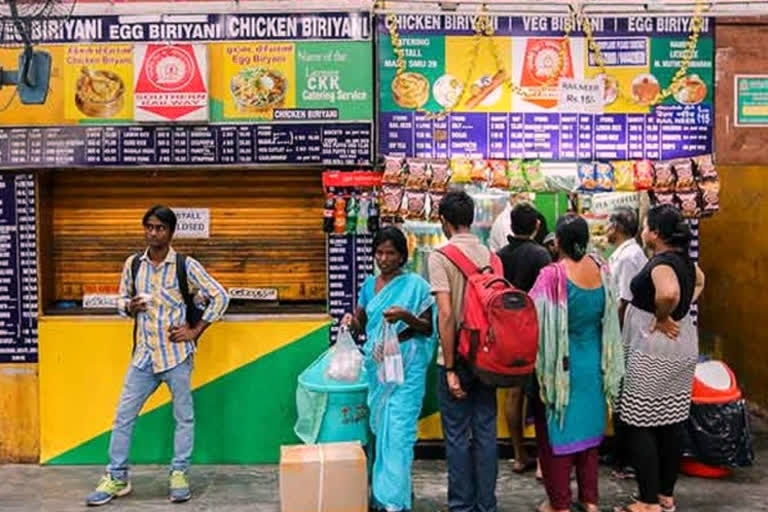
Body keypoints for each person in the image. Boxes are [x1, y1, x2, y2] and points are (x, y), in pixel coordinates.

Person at [85, 205, 230, 506]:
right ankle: (117, 477)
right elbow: (121, 300)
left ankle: (179, 474)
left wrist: (195, 331)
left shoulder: (185, 266)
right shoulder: (133, 264)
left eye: (160, 228)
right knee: (123, 417)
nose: (154, 233)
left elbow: (220, 295)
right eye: (149, 227)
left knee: (184, 417)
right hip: (143, 357)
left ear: (171, 231)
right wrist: (129, 307)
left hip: (176, 356)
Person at [529, 215, 624, 512]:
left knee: (557, 432)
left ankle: (559, 503)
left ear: (557, 242)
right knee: (588, 437)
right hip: (595, 364)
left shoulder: (551, 275)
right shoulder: (602, 270)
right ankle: (590, 500)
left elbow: (532, 316)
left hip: (561, 369)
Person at [614, 205, 705, 512]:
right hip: (680, 346)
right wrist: (680, 309)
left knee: (640, 421)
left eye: (645, 226)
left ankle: (648, 501)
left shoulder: (663, 262)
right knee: (671, 419)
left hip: (654, 347)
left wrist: (663, 315)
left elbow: (667, 293)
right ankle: (665, 495)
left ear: (655, 233)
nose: (642, 231)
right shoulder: (685, 261)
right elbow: (700, 282)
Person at [341, 227, 436, 512]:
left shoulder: (417, 286)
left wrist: (406, 316)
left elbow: (429, 327)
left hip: (407, 370)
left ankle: (393, 501)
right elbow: (361, 322)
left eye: (391, 253)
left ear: (402, 255)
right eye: (379, 252)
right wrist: (349, 321)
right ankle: (385, 496)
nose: (384, 258)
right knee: (382, 430)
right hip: (378, 368)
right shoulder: (369, 286)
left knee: (398, 432)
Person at [428, 191, 498, 512]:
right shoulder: (493, 257)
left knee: (456, 436)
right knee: (485, 433)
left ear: (444, 221)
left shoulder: (440, 256)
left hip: (456, 358)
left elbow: (445, 314)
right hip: (488, 360)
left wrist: (451, 367)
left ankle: (461, 507)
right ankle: (487, 505)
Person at [496, 203, 552, 474]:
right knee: (542, 394)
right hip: (535, 330)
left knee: (513, 394)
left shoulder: (499, 255)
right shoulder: (541, 255)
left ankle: (519, 455)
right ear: (537, 226)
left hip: (507, 331)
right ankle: (544, 460)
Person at [606, 206, 648, 480]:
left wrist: (613, 337)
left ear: (619, 227)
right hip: (626, 335)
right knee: (622, 398)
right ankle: (621, 455)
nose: (606, 229)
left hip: (627, 336)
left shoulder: (629, 257)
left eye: (609, 224)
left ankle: (626, 460)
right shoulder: (625, 254)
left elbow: (624, 301)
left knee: (626, 397)